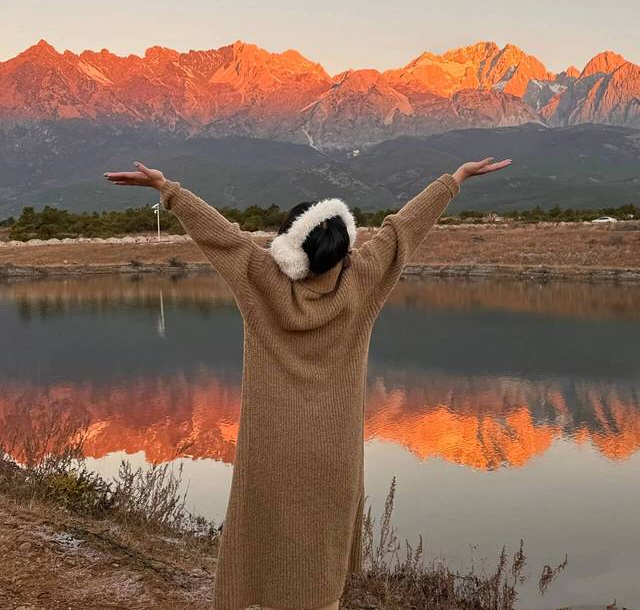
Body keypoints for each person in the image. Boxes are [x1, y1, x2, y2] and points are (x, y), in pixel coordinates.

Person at [104, 156, 511, 610]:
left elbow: (223, 237)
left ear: (288, 249)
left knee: (267, 549)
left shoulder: (262, 281)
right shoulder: (362, 283)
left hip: (271, 449)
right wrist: (454, 179)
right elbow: (402, 231)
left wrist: (169, 190)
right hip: (335, 453)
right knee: (320, 568)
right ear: (343, 245)